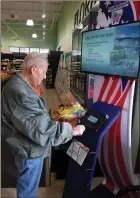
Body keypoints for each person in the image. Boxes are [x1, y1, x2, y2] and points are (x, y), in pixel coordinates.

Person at [1, 52, 85, 198]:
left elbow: (31, 121)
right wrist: (72, 130)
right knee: (28, 188)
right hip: (29, 149)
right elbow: (43, 132)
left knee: (26, 182)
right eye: (44, 72)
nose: (46, 77)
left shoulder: (16, 84)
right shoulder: (21, 93)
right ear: (33, 69)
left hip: (23, 145)